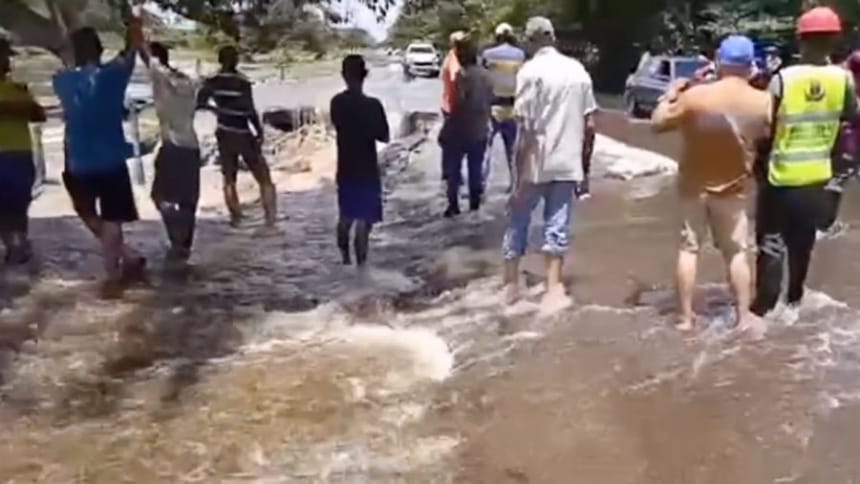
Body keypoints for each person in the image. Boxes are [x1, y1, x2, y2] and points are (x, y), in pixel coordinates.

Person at [651, 35, 771, 332]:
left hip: (693, 185)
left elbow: (656, 124)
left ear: (719, 61)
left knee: (689, 249)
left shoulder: (695, 97)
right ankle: (743, 318)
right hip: (734, 187)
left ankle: (684, 318)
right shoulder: (764, 101)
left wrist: (670, 95)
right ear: (750, 66)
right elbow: (770, 137)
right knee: (737, 253)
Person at [751, 6, 858, 319]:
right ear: (835, 40)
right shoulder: (843, 80)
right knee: (802, 245)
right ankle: (794, 304)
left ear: (801, 40)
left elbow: (765, 128)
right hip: (817, 178)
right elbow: (852, 117)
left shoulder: (783, 79)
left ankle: (762, 312)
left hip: (780, 178)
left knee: (771, 245)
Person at [502, 16, 596, 310]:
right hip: (568, 162)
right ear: (553, 37)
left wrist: (517, 180)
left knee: (518, 219)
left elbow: (525, 130)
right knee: (557, 225)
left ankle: (511, 285)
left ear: (530, 41)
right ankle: (553, 288)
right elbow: (590, 126)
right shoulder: (578, 71)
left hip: (536, 161)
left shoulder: (530, 72)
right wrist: (585, 171)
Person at [53, 23, 147, 298]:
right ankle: (112, 274)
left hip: (77, 161)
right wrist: (134, 23)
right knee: (112, 219)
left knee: (88, 212)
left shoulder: (61, 81)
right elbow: (132, 49)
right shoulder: (114, 76)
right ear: (100, 50)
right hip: (110, 159)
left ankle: (127, 258)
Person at [198, 45, 277, 228]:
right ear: (236, 60)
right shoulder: (242, 82)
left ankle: (236, 218)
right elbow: (249, 110)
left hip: (224, 132)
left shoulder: (213, 82)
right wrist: (259, 131)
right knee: (264, 176)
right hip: (242, 132)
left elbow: (200, 103)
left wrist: (217, 110)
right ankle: (270, 220)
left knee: (229, 177)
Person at [140, 40, 202, 267]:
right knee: (188, 201)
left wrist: (135, 31)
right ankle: (183, 247)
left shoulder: (160, 78)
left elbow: (148, 59)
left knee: (160, 196)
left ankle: (176, 239)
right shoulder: (187, 81)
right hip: (192, 146)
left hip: (173, 146)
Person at [329, 55, 390, 266]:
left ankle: (345, 260)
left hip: (345, 168)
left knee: (345, 218)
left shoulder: (336, 103)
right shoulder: (373, 105)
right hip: (367, 170)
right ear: (365, 75)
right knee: (364, 222)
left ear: (343, 75)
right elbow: (384, 136)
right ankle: (361, 268)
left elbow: (339, 126)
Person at [0, 38, 46, 265]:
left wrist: (19, 107)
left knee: (19, 203)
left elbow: (40, 115)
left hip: (19, 153)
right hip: (13, 155)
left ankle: (17, 244)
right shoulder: (17, 91)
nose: (8, 61)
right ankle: (13, 244)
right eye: (4, 56)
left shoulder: (18, 89)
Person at [440, 40, 493, 217]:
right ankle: (474, 205)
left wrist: (448, 127)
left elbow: (459, 103)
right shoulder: (487, 76)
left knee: (454, 169)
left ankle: (453, 205)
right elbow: (490, 99)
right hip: (481, 128)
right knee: (475, 169)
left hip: (462, 128)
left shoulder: (463, 76)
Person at [481, 22, 525, 192]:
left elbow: (483, 81)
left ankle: (482, 186)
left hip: (491, 108)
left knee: (486, 150)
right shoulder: (520, 55)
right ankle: (514, 186)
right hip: (512, 108)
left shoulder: (488, 55)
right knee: (512, 151)